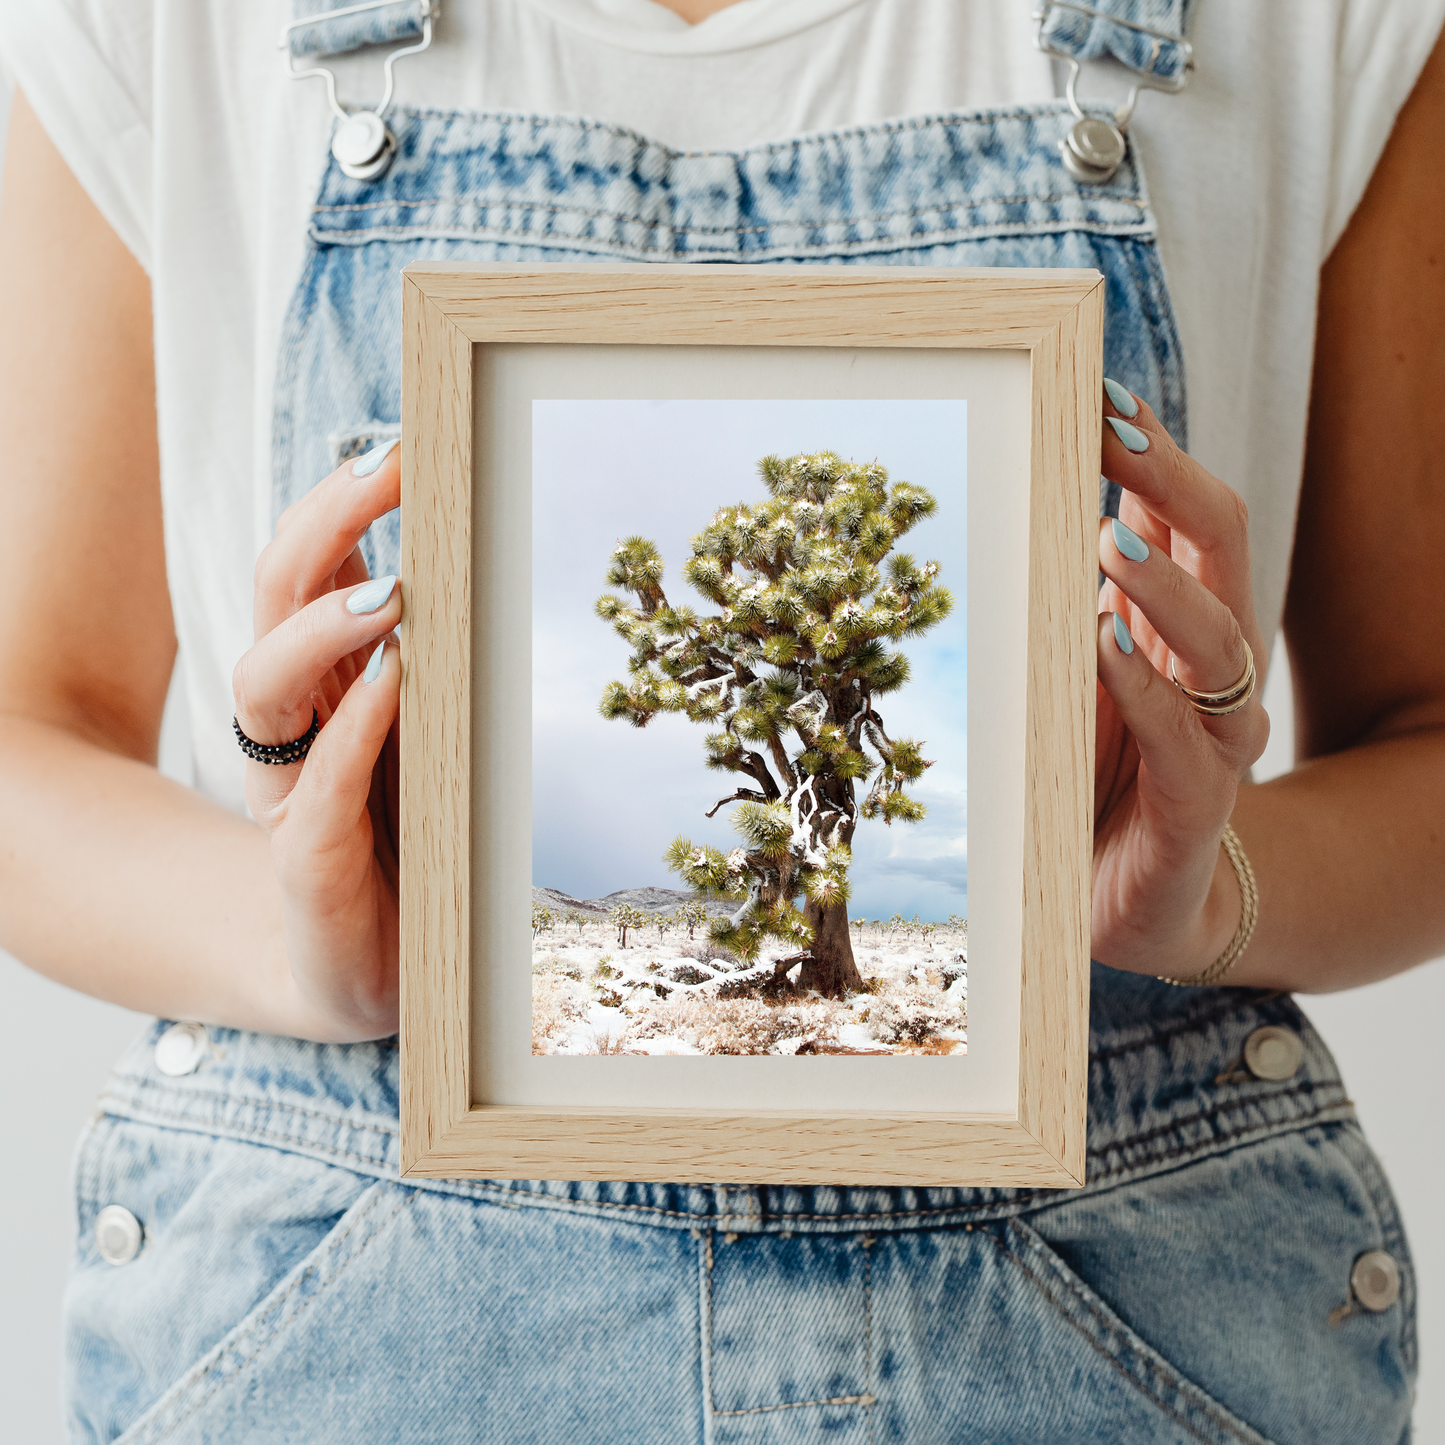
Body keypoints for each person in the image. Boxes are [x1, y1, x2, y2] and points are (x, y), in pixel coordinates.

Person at [1, 0, 1442, 1439]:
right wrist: (301, 944)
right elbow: (31, 726)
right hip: (346, 1322)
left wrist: (1207, 895)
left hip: (1122, 1316)